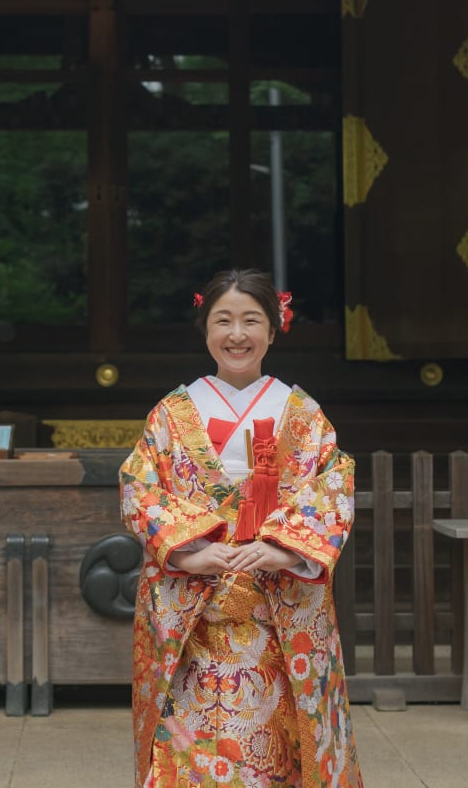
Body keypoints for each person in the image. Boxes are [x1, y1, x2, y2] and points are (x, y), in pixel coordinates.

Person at [120, 268, 362, 788]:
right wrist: (187, 553)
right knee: (184, 744)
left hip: (278, 603)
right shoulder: (171, 413)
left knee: (284, 740)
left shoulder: (302, 414)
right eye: (222, 320)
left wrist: (283, 551)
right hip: (194, 607)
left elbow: (334, 486)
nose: (237, 334)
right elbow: (141, 488)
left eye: (251, 321)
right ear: (205, 329)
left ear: (273, 331)